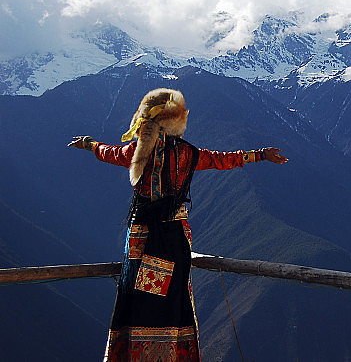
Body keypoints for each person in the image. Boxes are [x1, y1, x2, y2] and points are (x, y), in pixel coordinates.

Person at [69, 88, 288, 361]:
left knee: (137, 297)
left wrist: (88, 143)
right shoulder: (188, 154)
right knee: (173, 299)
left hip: (141, 237)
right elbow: (221, 159)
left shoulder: (137, 151)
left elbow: (109, 152)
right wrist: (259, 154)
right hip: (175, 239)